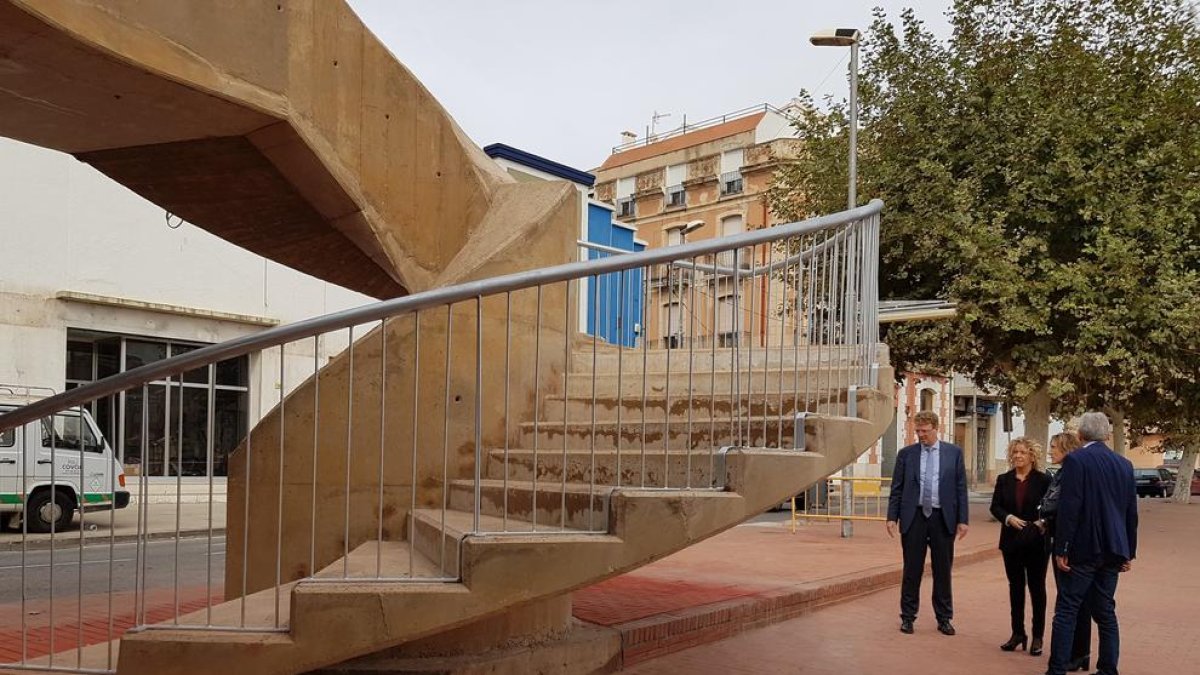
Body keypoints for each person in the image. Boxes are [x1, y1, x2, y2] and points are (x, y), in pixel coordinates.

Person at [1045, 412, 1138, 675]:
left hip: (1083, 548)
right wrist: (1129, 551)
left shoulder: (1076, 460)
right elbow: (1130, 512)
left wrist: (1062, 547)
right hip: (1114, 547)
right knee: (1105, 610)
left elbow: (1070, 507)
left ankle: (1057, 668)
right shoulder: (1124, 464)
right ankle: (1108, 668)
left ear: (1080, 435)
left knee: (1067, 609)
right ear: (1107, 435)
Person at [886, 410, 969, 636]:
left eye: (924, 431)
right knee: (912, 570)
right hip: (914, 517)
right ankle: (908, 617)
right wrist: (892, 516)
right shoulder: (906, 454)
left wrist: (963, 519)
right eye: (918, 431)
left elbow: (961, 488)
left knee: (943, 570)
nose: (921, 435)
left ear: (935, 428)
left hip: (943, 518)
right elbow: (897, 488)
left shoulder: (953, 453)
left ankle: (944, 618)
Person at [989, 438, 1052, 655]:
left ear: (1032, 456)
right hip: (1011, 541)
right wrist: (1008, 518)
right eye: (1015, 452)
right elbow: (995, 506)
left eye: (1023, 452)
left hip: (1036, 542)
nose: (1018, 456)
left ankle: (1037, 637)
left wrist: (1042, 523)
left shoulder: (1044, 480)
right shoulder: (1004, 479)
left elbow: (1051, 508)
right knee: (1015, 587)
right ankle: (1017, 633)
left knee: (1037, 588)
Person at [1037, 431, 1092, 672]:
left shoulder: (1070, 472)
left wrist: (1043, 514)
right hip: (1060, 537)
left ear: (1067, 449)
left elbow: (1055, 504)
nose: (1050, 451)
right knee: (1076, 601)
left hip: (1067, 544)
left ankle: (1075, 653)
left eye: (1054, 447)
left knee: (1070, 603)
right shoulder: (1062, 472)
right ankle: (1080, 652)